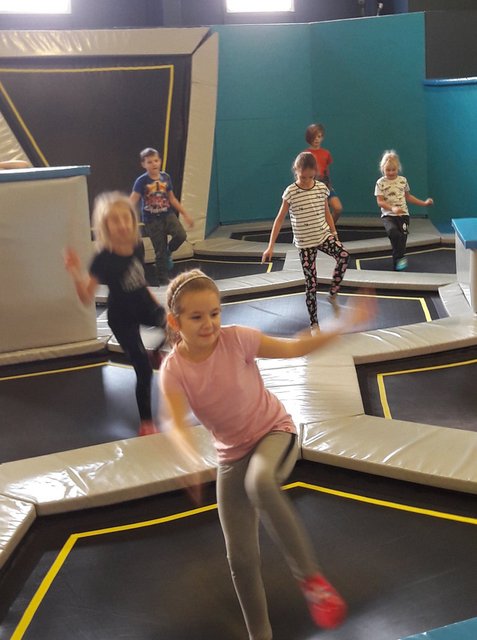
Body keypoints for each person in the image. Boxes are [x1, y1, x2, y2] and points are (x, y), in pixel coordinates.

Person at [160, 269, 375, 640]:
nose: (209, 324)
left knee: (259, 483)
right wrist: (190, 460)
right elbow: (175, 423)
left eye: (214, 313)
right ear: (174, 322)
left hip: (273, 432)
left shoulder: (237, 339)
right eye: (196, 317)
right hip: (231, 455)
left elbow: (294, 347)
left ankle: (312, 582)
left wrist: (344, 323)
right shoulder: (174, 369)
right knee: (240, 559)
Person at [64, 191, 166, 436]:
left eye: (125, 218)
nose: (122, 224)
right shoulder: (103, 259)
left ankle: (155, 351)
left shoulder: (137, 245)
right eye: (114, 220)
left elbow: (140, 281)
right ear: (105, 226)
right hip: (122, 318)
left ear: (133, 220)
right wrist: (75, 272)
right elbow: (86, 297)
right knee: (142, 368)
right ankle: (146, 422)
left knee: (175, 323)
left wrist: (161, 310)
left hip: (143, 304)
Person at [262, 151, 350, 331]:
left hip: (323, 236)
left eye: (310, 177)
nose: (306, 181)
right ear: (296, 171)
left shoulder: (321, 188)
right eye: (302, 177)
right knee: (311, 283)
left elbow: (327, 213)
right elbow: (279, 219)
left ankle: (333, 292)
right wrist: (270, 246)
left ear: (315, 173)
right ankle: (314, 323)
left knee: (344, 255)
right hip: (305, 243)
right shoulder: (291, 192)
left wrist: (334, 233)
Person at [130, 147, 194, 286]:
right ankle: (163, 281)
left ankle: (168, 251)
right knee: (160, 252)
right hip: (152, 220)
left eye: (156, 160)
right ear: (143, 164)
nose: (153, 164)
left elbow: (172, 198)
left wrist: (185, 214)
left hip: (168, 215)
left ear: (160, 161)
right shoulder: (142, 181)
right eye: (149, 162)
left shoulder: (166, 177)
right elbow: (133, 199)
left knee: (181, 235)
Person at [375, 150, 433, 271]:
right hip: (388, 215)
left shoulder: (403, 180)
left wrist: (424, 203)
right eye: (388, 170)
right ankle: (398, 260)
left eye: (394, 170)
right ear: (383, 169)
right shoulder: (380, 183)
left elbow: (408, 197)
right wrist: (392, 208)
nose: (391, 172)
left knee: (402, 239)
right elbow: (380, 201)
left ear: (398, 168)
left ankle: (398, 263)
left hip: (403, 215)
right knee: (393, 232)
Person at [304, 123, 343, 222]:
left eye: (319, 136)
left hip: (325, 186)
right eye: (314, 137)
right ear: (309, 138)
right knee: (317, 213)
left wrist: (328, 185)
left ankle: (329, 228)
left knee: (338, 208)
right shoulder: (305, 155)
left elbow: (325, 171)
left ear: (322, 137)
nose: (316, 139)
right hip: (311, 188)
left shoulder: (326, 153)